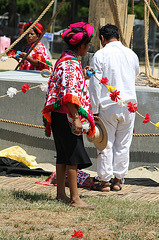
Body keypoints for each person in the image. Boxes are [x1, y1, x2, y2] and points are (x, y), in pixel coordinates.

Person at [42, 22, 96, 208]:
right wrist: (75, 118)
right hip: (67, 115)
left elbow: (66, 86)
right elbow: (69, 94)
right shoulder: (71, 64)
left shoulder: (63, 60)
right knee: (73, 156)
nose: (88, 48)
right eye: (87, 45)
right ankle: (75, 198)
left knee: (63, 156)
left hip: (58, 115)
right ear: (81, 46)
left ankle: (60, 195)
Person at [89, 24, 139, 192]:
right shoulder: (131, 54)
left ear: (102, 38)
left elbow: (94, 85)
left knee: (105, 143)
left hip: (107, 106)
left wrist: (94, 109)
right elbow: (135, 75)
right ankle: (118, 180)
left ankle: (104, 182)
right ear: (118, 36)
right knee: (123, 144)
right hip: (129, 106)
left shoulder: (100, 55)